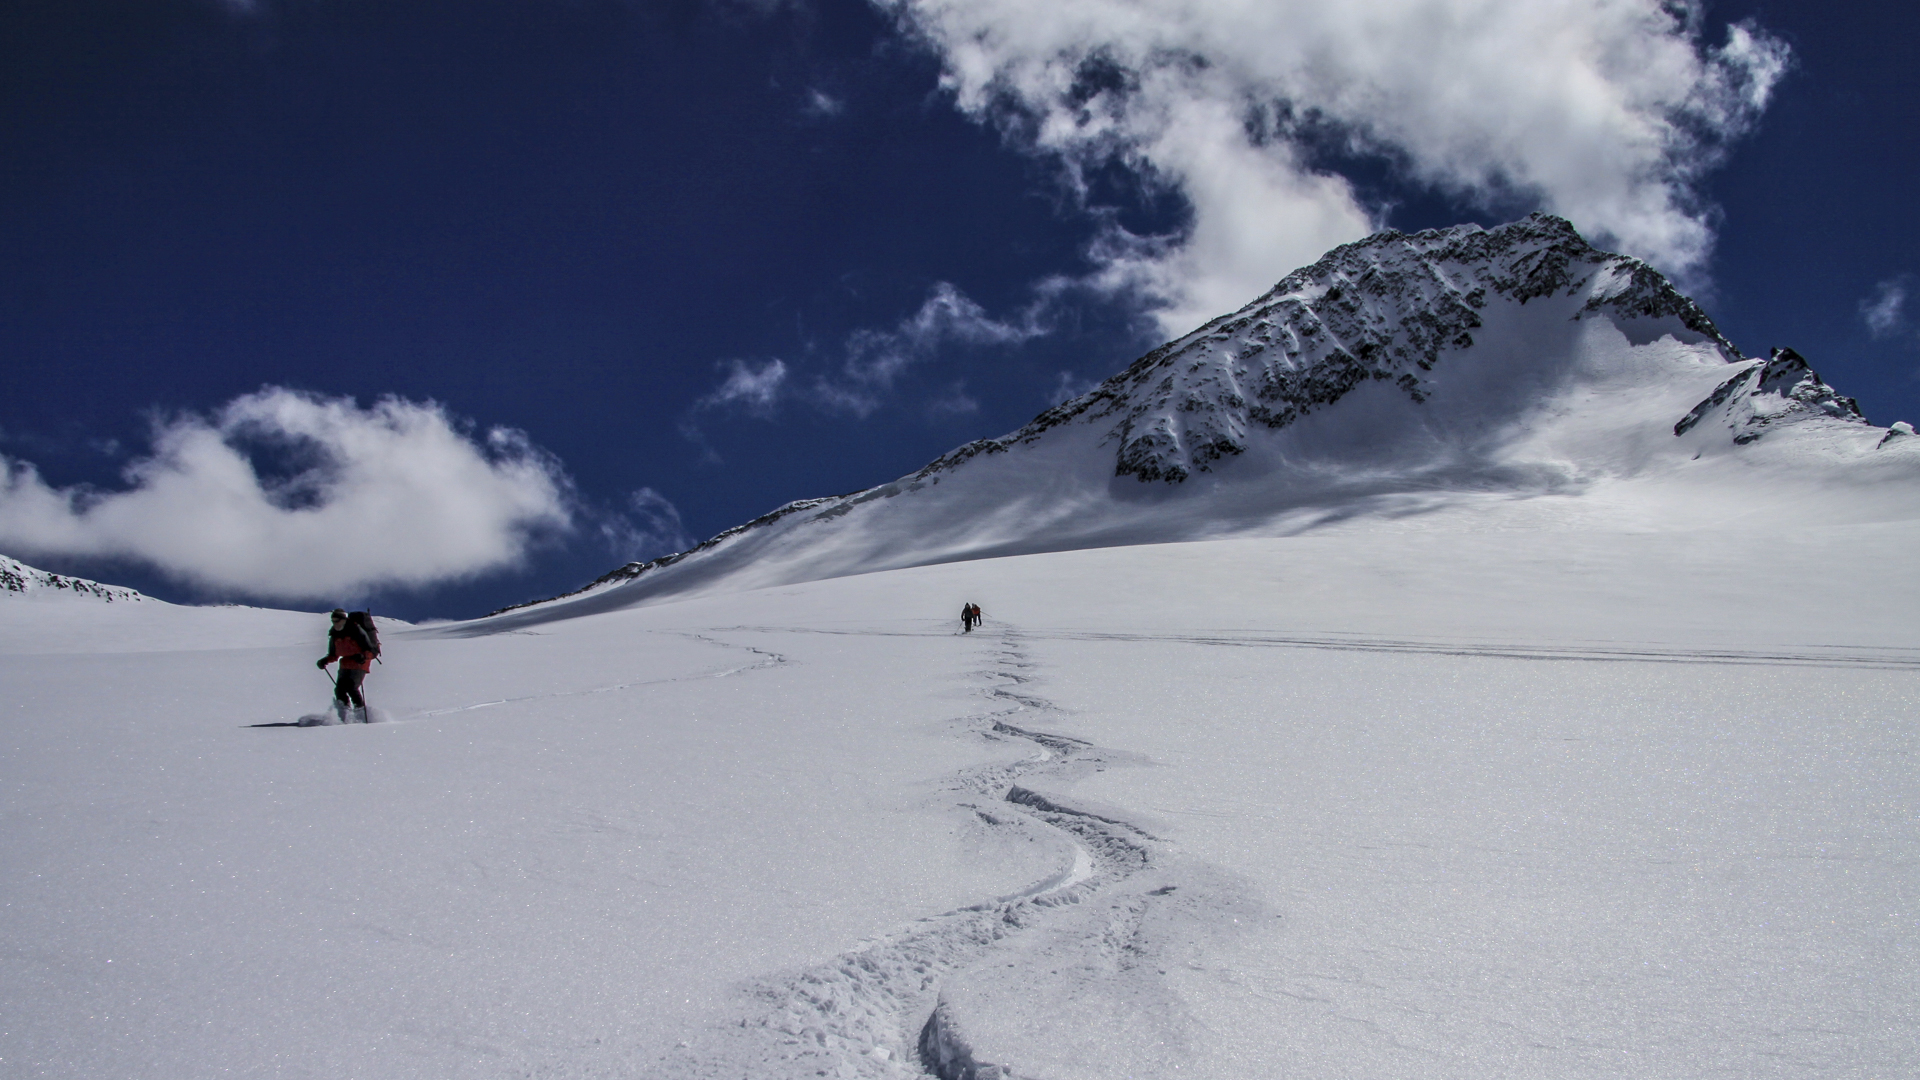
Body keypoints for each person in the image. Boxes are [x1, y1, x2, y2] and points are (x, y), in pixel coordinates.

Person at [317, 608, 377, 722]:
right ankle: (344, 715)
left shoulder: (356, 630)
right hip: (345, 663)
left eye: (337, 620)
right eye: (333, 620)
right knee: (339, 690)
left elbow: (368, 648)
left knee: (351, 687)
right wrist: (324, 660)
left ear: (344, 619)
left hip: (359, 662)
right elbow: (333, 654)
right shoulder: (334, 634)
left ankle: (361, 715)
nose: (335, 623)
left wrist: (363, 657)